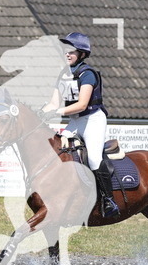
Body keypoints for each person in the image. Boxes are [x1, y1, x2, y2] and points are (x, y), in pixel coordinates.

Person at [43, 32, 120, 217]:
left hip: (93, 120)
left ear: (82, 54)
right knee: (57, 150)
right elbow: (54, 103)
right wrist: (42, 112)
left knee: (93, 158)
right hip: (76, 121)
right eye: (65, 51)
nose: (67, 54)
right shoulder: (63, 74)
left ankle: (109, 200)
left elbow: (82, 104)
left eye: (72, 51)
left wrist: (57, 112)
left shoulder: (88, 74)